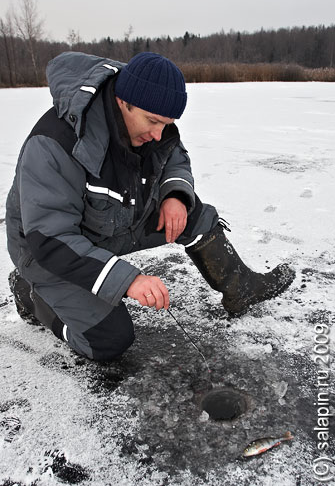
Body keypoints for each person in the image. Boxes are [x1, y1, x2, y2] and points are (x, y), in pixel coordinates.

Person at [6, 51, 295, 361]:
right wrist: (127, 280)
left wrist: (175, 196)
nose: (158, 133)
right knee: (109, 340)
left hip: (111, 223)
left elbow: (174, 153)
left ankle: (240, 287)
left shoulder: (148, 122)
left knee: (194, 214)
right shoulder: (55, 143)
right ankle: (34, 297)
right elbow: (51, 239)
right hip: (47, 252)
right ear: (122, 101)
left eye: (166, 124)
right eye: (153, 122)